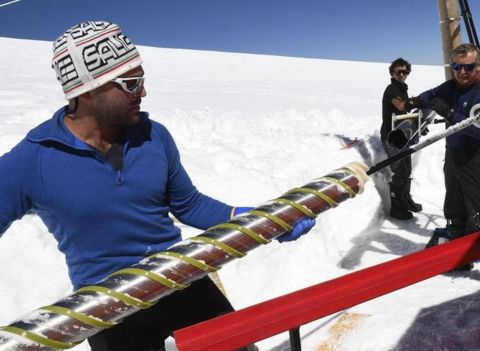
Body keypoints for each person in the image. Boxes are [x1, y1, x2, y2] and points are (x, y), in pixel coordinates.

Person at [0, 21, 315, 350]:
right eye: (132, 82)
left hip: (180, 275)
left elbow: (188, 205)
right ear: (88, 89)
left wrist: (255, 220)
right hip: (107, 305)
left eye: (142, 78)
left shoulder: (154, 136)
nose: (143, 92)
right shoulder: (32, 161)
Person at [409, 43, 480, 295]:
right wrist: (413, 102)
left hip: (476, 158)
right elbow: (431, 94)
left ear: (479, 66)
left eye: (469, 67)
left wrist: (451, 112)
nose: (462, 72)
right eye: (457, 67)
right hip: (453, 156)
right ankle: (461, 259)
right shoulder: (451, 87)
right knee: (455, 210)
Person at [380, 58, 423, 220]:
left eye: (405, 71)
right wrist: (419, 101)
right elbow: (400, 106)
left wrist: (418, 123)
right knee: (399, 171)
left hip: (402, 134)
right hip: (391, 137)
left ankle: (405, 199)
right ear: (392, 73)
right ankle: (396, 207)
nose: (402, 74)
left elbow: (404, 114)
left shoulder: (402, 89)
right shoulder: (392, 89)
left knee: (407, 169)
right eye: (398, 71)